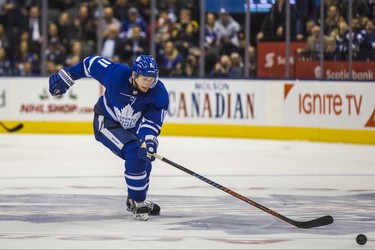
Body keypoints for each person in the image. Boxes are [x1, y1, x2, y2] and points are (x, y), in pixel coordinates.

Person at [48, 54, 169, 221]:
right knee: (134, 153)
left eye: (151, 79)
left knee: (144, 158)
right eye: (145, 79)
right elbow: (91, 63)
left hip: (131, 130)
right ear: (134, 75)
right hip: (106, 121)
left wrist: (148, 140)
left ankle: (134, 198)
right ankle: (139, 202)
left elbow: (152, 123)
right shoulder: (116, 74)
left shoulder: (159, 93)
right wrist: (68, 75)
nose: (148, 84)